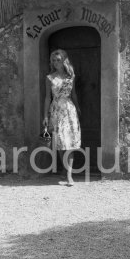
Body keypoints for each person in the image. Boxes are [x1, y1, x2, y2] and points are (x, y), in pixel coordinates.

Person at [43, 49, 81, 186]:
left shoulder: (71, 76)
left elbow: (74, 94)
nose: (56, 62)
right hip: (56, 111)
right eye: (53, 60)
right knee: (60, 143)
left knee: (70, 143)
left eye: (58, 59)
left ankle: (69, 175)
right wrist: (45, 116)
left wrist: (77, 107)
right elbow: (47, 98)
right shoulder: (50, 78)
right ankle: (65, 170)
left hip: (69, 111)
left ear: (64, 60)